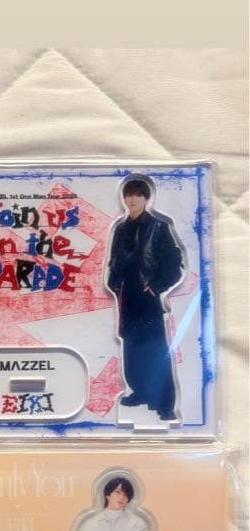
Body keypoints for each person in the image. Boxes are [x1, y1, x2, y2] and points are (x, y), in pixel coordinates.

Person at [106, 176, 184, 422]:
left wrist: (156, 286)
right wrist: (113, 282)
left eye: (138, 195)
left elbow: (175, 264)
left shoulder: (158, 227)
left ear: (146, 198)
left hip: (147, 297)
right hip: (126, 296)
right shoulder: (120, 229)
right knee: (131, 346)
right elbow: (115, 260)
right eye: (129, 194)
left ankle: (165, 405)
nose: (132, 199)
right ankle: (140, 391)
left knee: (156, 348)